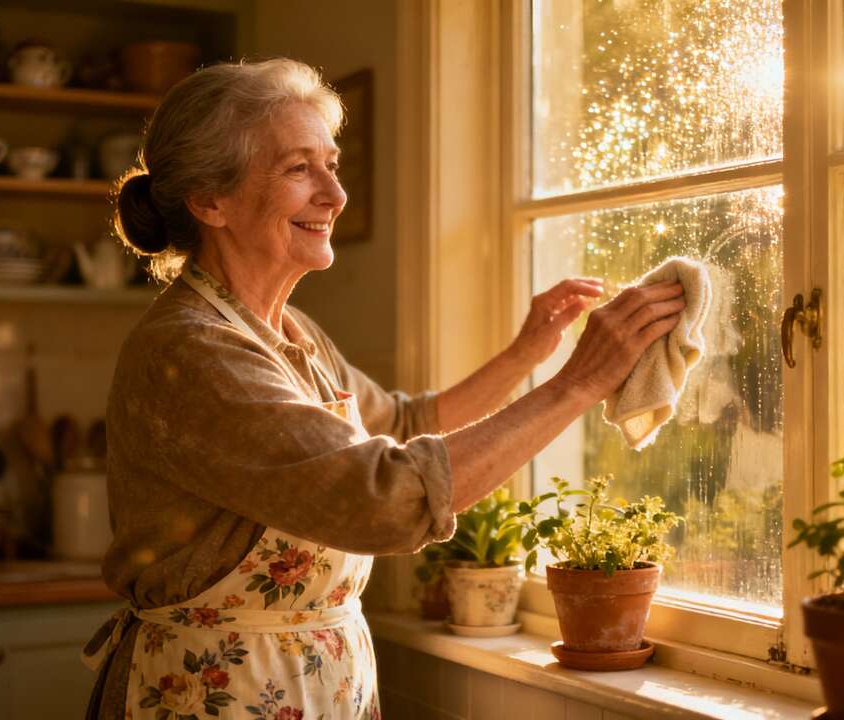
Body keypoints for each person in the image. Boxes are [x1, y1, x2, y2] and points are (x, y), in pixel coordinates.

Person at [84, 58, 686, 720]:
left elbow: (399, 427)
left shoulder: (291, 331)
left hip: (320, 685)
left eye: (332, 166)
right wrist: (580, 383)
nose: (335, 195)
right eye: (297, 169)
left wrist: (526, 355)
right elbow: (380, 497)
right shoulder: (193, 349)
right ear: (209, 201)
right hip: (216, 696)